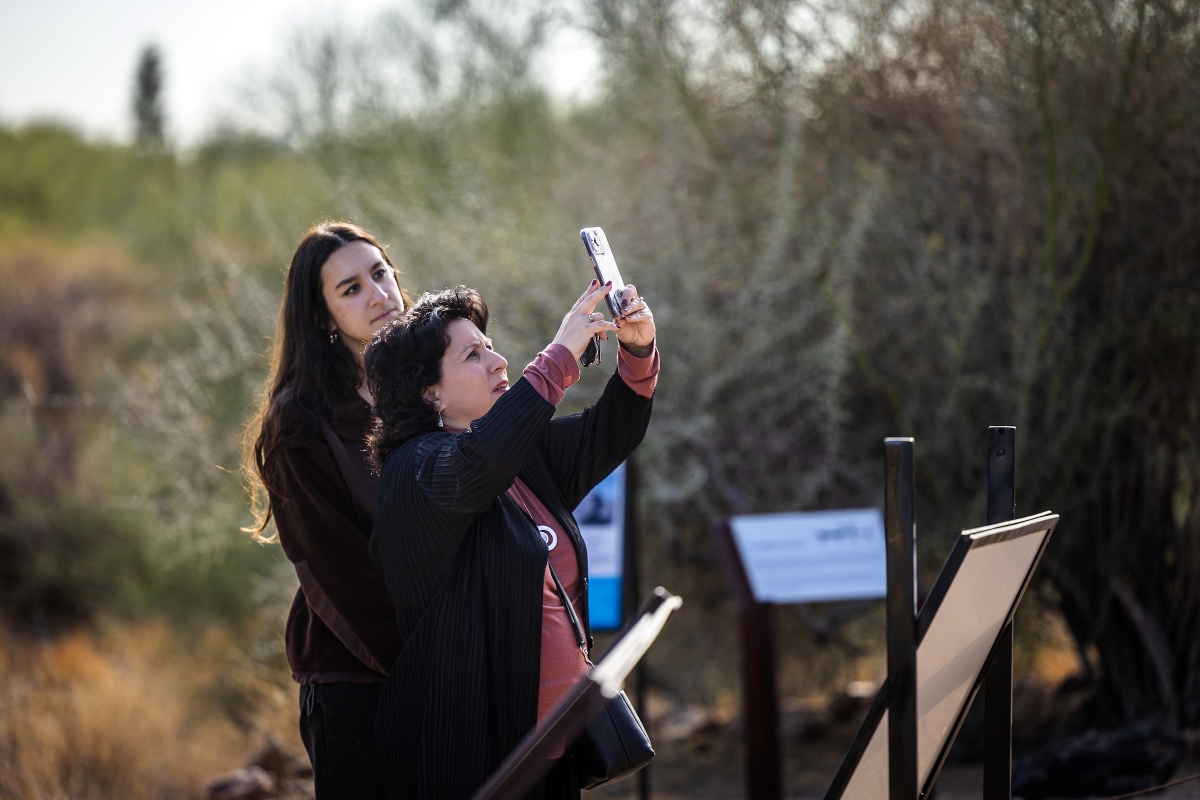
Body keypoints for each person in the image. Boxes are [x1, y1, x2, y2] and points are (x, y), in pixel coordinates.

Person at [364, 280, 658, 800]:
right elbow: (476, 466)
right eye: (474, 355)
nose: (500, 361)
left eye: (490, 345)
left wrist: (637, 350)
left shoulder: (520, 455)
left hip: (552, 753)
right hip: (470, 758)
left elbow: (611, 430)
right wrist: (558, 360)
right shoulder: (415, 469)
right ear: (430, 392)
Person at [242, 221, 411, 799]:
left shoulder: (417, 390)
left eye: (380, 273)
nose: (379, 294)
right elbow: (337, 570)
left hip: (441, 666)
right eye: (351, 289)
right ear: (321, 318)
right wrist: (428, 668)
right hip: (356, 682)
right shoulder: (300, 421)